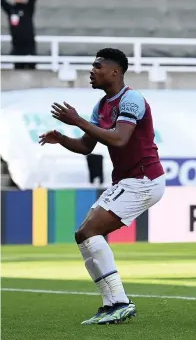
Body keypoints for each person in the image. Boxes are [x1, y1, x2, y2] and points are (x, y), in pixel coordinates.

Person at [38, 48, 165, 325]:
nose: (92, 71)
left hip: (144, 179)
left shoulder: (131, 99)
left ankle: (119, 301)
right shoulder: (102, 105)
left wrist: (77, 120)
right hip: (127, 180)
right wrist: (61, 137)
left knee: (89, 231)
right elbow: (86, 146)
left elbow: (119, 139)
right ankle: (111, 304)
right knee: (83, 236)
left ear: (115, 71)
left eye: (97, 66)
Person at [1, 0, 37, 69]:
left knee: (31, 68)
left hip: (29, 45)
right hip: (17, 45)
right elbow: (2, 2)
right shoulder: (11, 9)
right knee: (18, 68)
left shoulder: (28, 8)